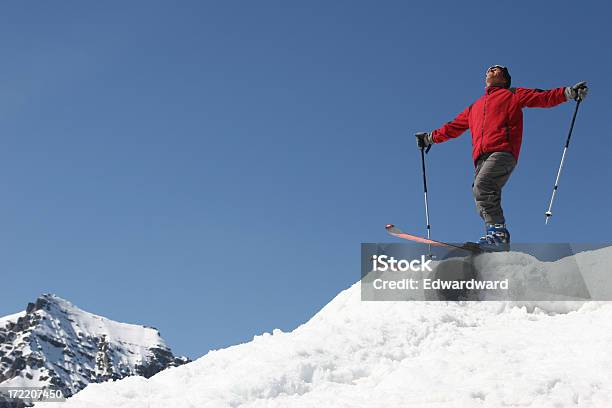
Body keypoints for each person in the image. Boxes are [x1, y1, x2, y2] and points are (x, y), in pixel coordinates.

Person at [416, 65, 588, 250]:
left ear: (505, 79)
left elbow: (542, 97)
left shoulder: (512, 94)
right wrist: (429, 138)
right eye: (489, 69)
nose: (491, 70)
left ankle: (498, 236)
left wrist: (569, 92)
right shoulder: (475, 106)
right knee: (480, 191)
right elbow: (453, 127)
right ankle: (493, 238)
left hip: (503, 151)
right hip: (481, 158)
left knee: (483, 186)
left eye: (496, 69)